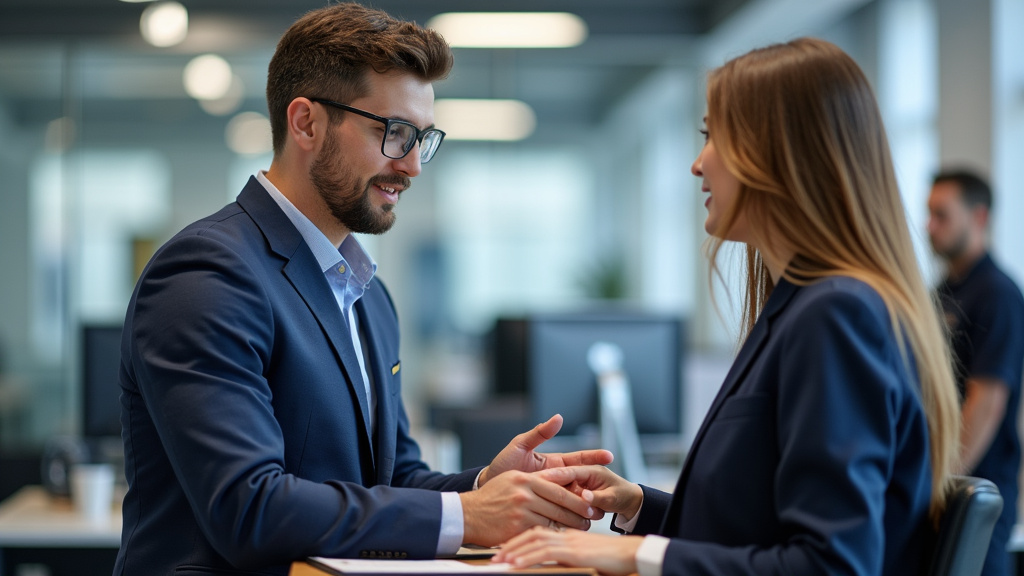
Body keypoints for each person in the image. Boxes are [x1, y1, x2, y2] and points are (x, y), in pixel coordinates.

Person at [113, 4, 611, 575]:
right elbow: (249, 508)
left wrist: (485, 487)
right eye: (394, 133)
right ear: (306, 123)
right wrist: (467, 515)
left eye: (422, 138)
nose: (413, 166)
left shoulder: (368, 295)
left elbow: (390, 480)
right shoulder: (207, 274)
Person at [494, 37, 962, 576]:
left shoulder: (837, 314)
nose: (698, 165)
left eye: (712, 136)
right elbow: (755, 528)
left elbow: (831, 564)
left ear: (777, 152)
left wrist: (632, 553)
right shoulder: (802, 305)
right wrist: (639, 506)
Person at [927, 169, 1024, 576]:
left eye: (942, 215)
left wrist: (943, 483)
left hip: (978, 491)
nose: (929, 227)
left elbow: (987, 401)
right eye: (929, 214)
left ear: (979, 217)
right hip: (944, 485)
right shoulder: (941, 292)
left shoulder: (998, 294)